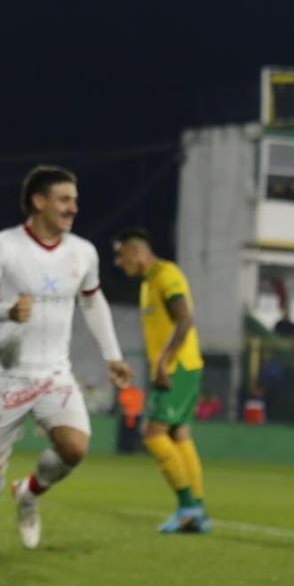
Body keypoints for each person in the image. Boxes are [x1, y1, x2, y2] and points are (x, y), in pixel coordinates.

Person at [0, 166, 132, 586]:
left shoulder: (83, 252)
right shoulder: (1, 246)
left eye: (74, 200)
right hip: (6, 374)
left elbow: (92, 302)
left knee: (75, 447)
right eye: (64, 199)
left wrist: (113, 355)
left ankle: (29, 493)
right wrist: (6, 311)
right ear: (39, 201)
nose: (73, 207)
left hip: (55, 373)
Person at [114, 227, 211, 534]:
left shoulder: (166, 274)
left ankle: (188, 507)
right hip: (181, 366)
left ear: (136, 251)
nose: (119, 262)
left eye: (121, 255)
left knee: (153, 433)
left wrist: (164, 362)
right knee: (179, 434)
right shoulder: (148, 283)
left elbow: (184, 320)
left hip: (177, 367)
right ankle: (197, 511)